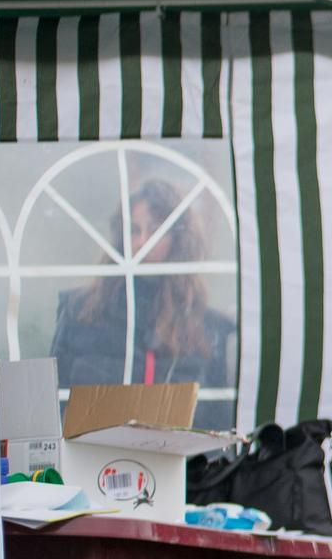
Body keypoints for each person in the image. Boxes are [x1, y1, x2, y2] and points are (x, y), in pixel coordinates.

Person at [51, 176, 240, 422]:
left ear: (178, 239)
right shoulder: (81, 311)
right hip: (94, 457)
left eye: (155, 230)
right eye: (134, 230)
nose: (142, 242)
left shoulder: (207, 326)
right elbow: (54, 402)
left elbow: (218, 420)